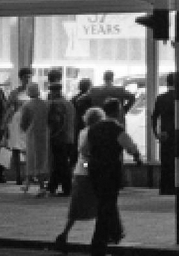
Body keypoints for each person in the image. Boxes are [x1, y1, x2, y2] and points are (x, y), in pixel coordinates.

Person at [86, 98, 142, 256]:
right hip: (111, 171)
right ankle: (100, 241)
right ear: (118, 111)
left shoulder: (93, 129)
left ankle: (114, 233)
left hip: (94, 170)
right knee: (107, 204)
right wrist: (137, 157)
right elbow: (130, 147)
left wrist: (87, 165)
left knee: (105, 203)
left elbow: (85, 150)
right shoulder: (117, 129)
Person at [54, 106, 105, 253]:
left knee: (77, 208)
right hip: (87, 173)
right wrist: (91, 165)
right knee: (98, 206)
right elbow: (84, 152)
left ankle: (65, 234)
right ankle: (97, 238)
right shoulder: (92, 133)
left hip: (80, 171)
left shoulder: (83, 131)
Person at [19, 82, 50, 197]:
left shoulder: (27, 105)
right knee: (41, 159)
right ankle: (29, 183)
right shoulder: (45, 104)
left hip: (32, 134)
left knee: (32, 158)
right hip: (44, 134)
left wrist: (24, 129)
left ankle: (37, 186)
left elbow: (23, 122)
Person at [46, 77, 75, 196]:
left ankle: (67, 188)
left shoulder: (55, 104)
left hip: (59, 137)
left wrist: (52, 134)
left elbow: (57, 121)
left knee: (61, 164)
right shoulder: (69, 103)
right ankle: (52, 186)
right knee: (60, 163)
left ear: (53, 91)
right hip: (70, 137)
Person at [3, 67, 32, 185]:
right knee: (16, 148)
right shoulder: (15, 92)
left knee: (29, 148)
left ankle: (29, 174)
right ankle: (19, 175)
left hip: (29, 120)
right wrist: (5, 123)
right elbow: (7, 107)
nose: (27, 79)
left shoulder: (33, 92)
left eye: (29, 77)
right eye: (25, 77)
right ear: (21, 78)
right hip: (16, 121)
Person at [151, 72, 176, 195]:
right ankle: (175, 186)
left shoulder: (160, 98)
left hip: (164, 133)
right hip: (175, 134)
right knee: (176, 161)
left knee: (165, 161)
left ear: (167, 82)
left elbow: (154, 116)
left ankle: (164, 188)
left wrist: (156, 133)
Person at [69, 77, 92, 167]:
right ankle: (85, 167)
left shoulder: (73, 99)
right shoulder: (89, 99)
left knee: (75, 150)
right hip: (86, 127)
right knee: (85, 152)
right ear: (89, 87)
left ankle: (74, 168)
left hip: (75, 127)